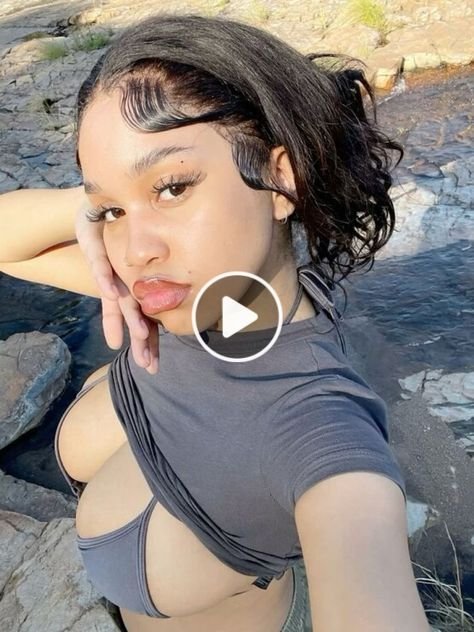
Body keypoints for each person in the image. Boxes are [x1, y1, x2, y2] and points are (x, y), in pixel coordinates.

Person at [0, 12, 431, 632]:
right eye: (113, 211)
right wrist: (96, 205)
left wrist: (122, 199)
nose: (135, 250)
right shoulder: (207, 299)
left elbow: (356, 527)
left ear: (279, 179)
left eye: (173, 187)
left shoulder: (319, 432)